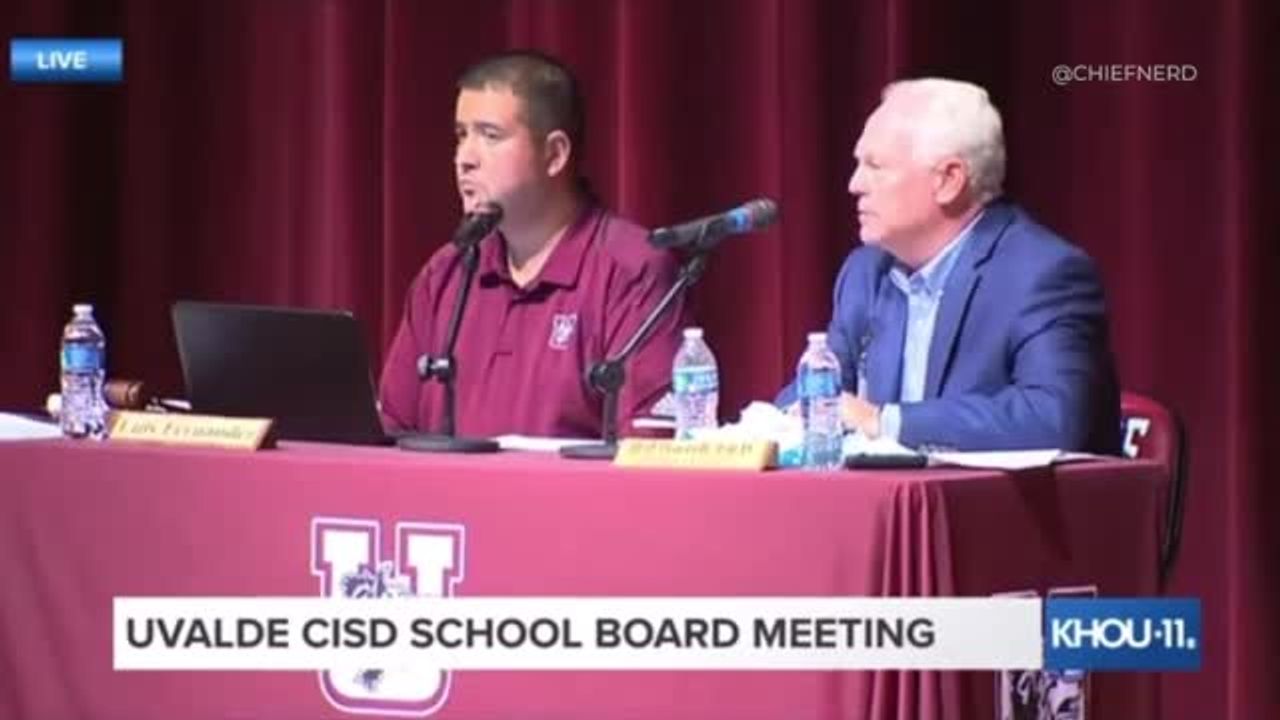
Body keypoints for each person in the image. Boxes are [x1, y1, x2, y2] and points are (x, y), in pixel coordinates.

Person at [778, 78, 1120, 453]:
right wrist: (776, 423)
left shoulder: (1042, 274)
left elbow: (1052, 418)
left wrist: (883, 421)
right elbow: (818, 392)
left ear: (948, 180)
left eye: (875, 166)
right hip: (889, 491)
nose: (854, 184)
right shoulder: (866, 273)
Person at [379, 51, 687, 439]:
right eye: (461, 135)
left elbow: (649, 447)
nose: (464, 158)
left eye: (490, 136)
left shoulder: (632, 271)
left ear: (554, 154)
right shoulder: (445, 275)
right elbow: (389, 433)